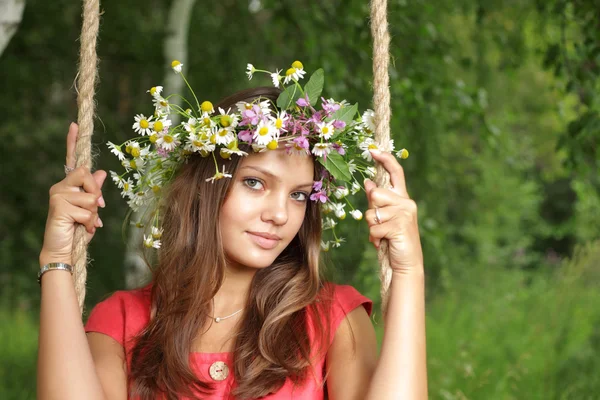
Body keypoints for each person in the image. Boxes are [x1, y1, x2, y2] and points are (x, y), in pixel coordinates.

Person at [36, 62, 427, 399]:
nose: (279, 214)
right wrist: (56, 260)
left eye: (298, 196)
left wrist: (409, 274)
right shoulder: (122, 321)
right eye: (255, 183)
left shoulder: (333, 318)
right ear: (207, 186)